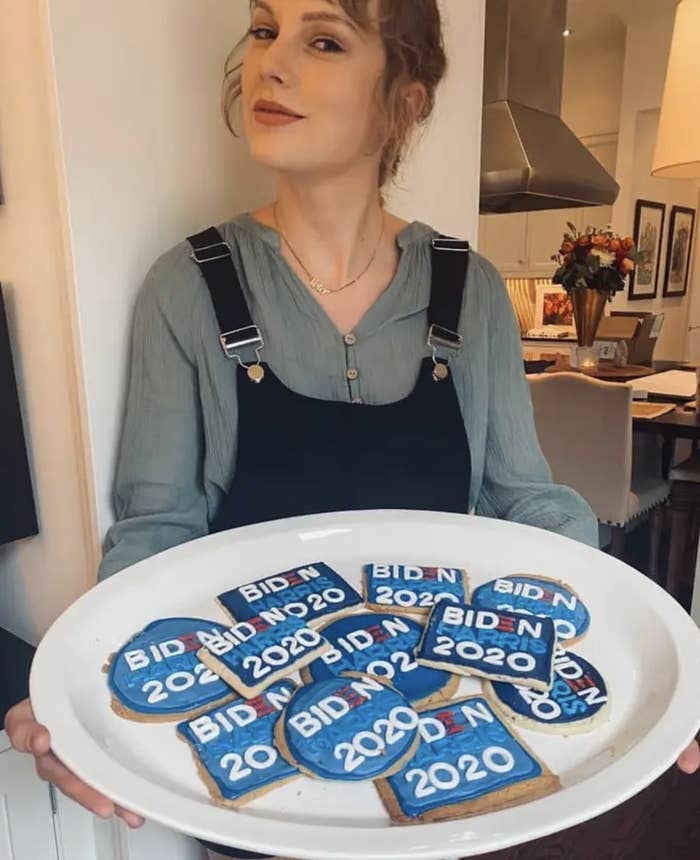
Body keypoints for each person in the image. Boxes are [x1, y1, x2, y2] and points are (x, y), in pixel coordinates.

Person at [6, 1, 698, 858]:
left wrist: (649, 667)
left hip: (446, 737)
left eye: (324, 40)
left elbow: (530, 504)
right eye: (264, 30)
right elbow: (155, 533)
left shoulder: (469, 289)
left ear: (405, 100)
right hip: (269, 759)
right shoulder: (187, 287)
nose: (272, 63)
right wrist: (90, 688)